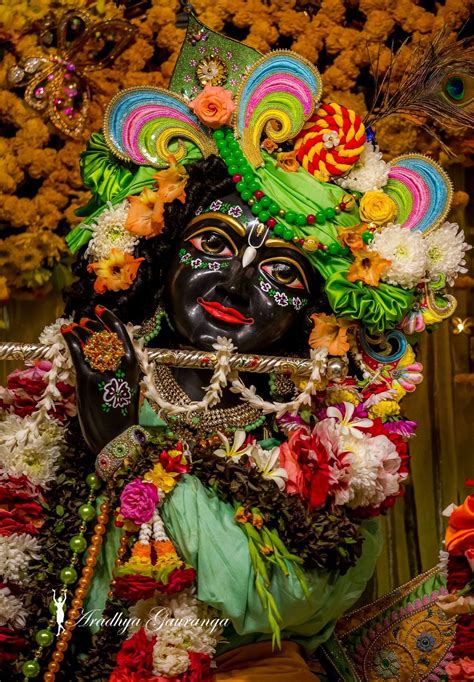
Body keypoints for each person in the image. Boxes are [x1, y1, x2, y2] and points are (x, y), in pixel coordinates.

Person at [1, 10, 471, 682]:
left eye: (280, 271)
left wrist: (124, 444)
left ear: (313, 311)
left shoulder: (335, 444)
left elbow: (289, 598)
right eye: (213, 245)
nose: (236, 278)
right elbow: (39, 597)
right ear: (158, 260)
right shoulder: (75, 375)